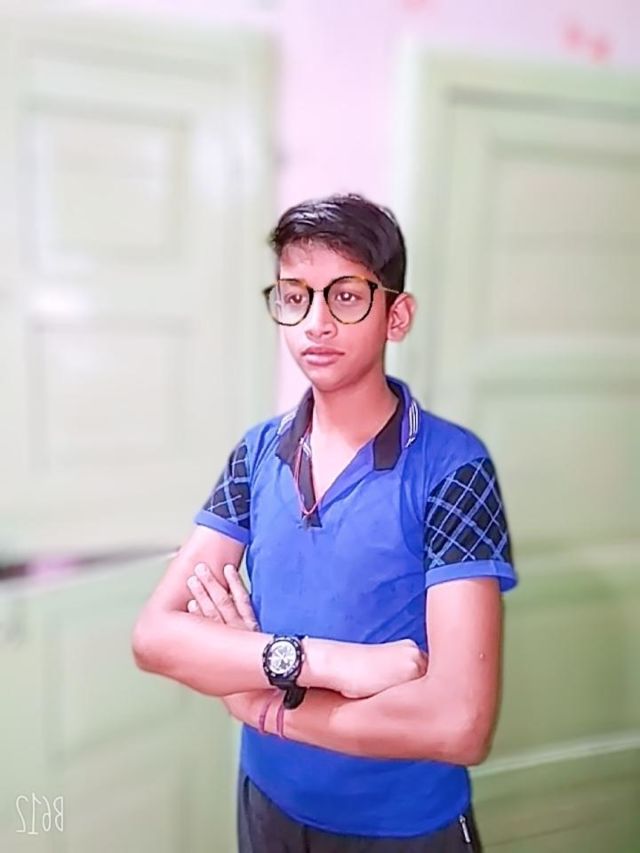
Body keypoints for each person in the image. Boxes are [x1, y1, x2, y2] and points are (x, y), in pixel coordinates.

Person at [132, 193, 518, 852]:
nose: (315, 323)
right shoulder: (258, 453)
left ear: (397, 315)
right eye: (294, 296)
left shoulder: (452, 467)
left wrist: (261, 702)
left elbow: (460, 723)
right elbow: (155, 637)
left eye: (345, 297)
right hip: (268, 804)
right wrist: (324, 663)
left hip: (402, 827)